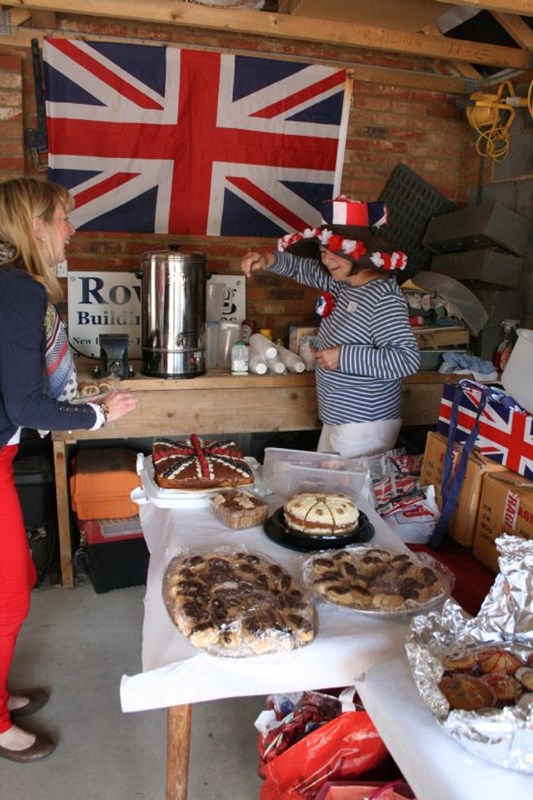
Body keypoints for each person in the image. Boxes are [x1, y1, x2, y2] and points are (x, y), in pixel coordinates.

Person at [0, 177, 137, 762]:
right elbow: (27, 406)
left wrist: (85, 399)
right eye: (63, 218)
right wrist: (97, 413)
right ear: (34, 225)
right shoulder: (18, 291)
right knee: (10, 595)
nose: (71, 231)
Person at [241, 196, 420, 458]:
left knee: (347, 495)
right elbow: (305, 269)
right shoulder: (343, 282)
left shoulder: (383, 297)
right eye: (324, 252)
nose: (326, 261)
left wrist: (343, 356)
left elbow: (406, 360)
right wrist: (267, 260)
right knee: (329, 493)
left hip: (366, 422)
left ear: (359, 252)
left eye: (336, 252)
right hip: (341, 418)